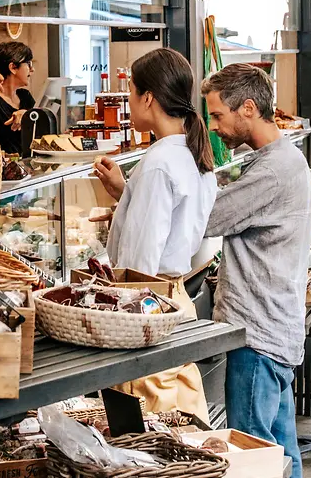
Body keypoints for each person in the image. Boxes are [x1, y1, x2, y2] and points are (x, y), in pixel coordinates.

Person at [94, 47, 218, 422]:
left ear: (148, 97)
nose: (130, 101)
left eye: (132, 92)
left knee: (147, 424)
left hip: (147, 306)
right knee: (182, 416)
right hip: (177, 297)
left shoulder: (158, 164)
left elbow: (139, 265)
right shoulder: (195, 155)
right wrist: (126, 192)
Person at [200, 63, 311, 478]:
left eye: (217, 115)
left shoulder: (270, 171)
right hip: (278, 329)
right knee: (281, 454)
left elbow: (208, 219)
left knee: (251, 458)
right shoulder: (281, 158)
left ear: (248, 108)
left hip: (256, 334)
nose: (214, 125)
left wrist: (131, 193)